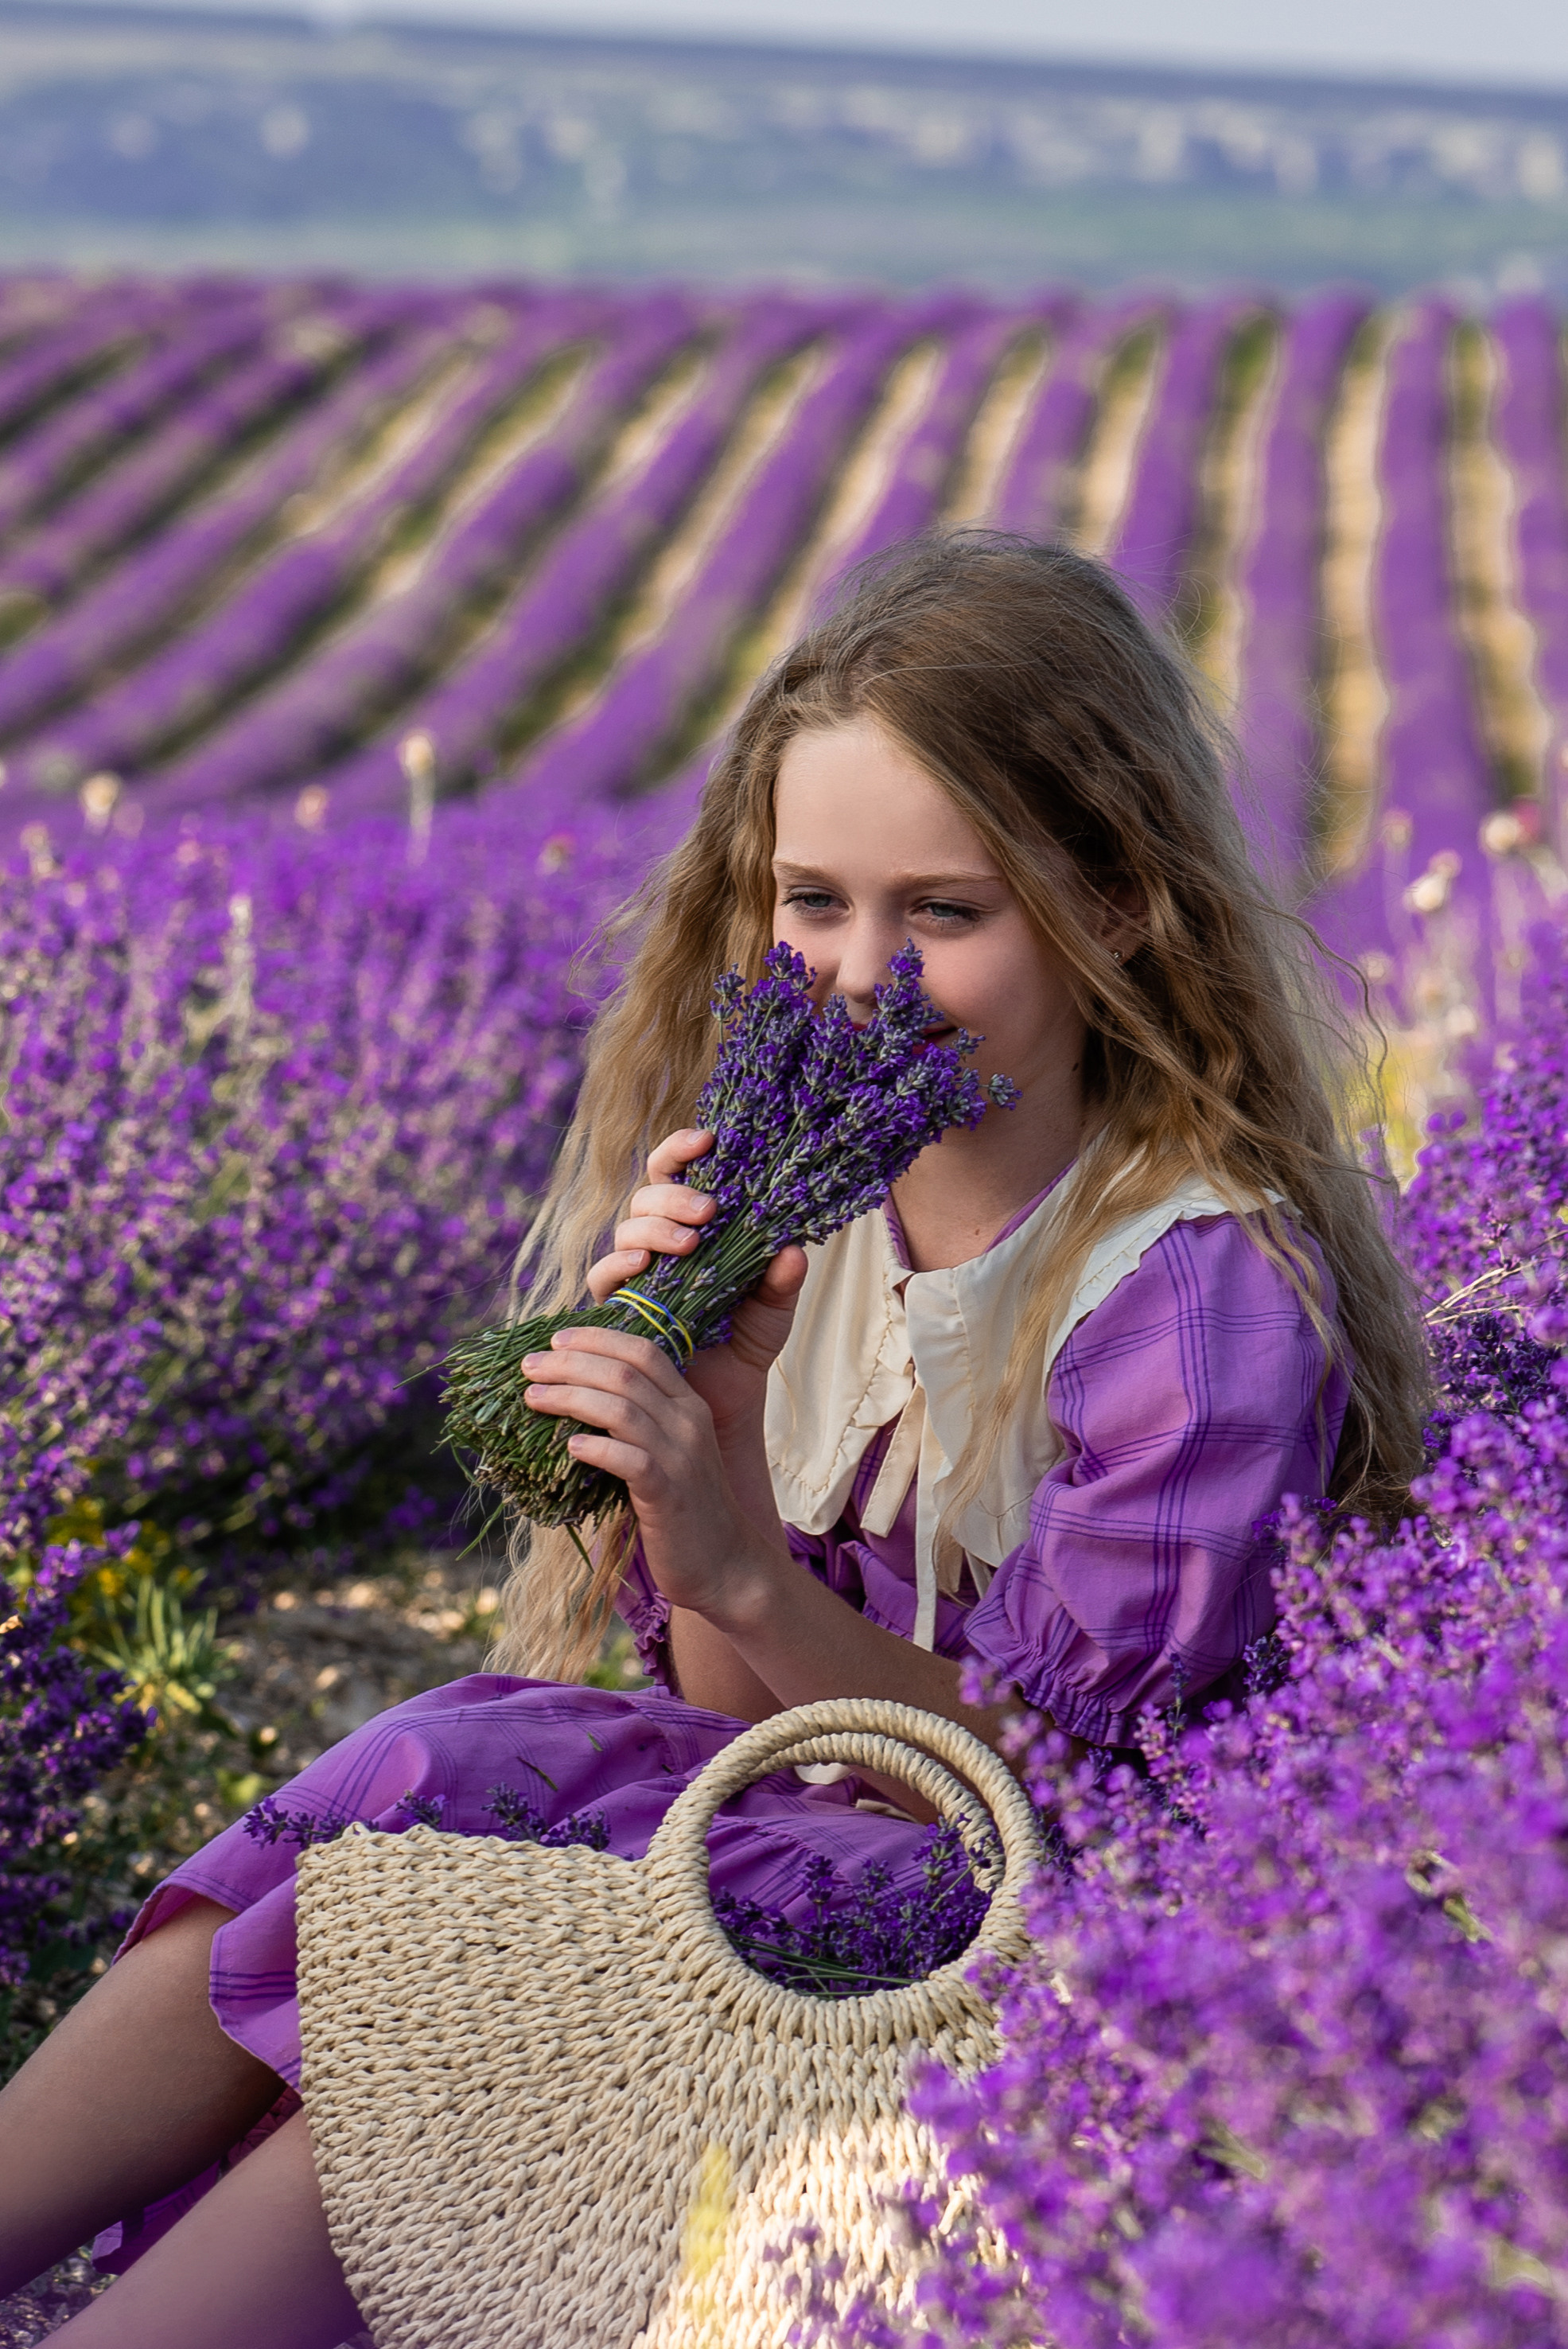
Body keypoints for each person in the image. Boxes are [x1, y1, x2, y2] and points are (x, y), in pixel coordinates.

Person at [0, 533, 1430, 2347]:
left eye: (943, 912)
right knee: (378, 1834)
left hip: (1043, 1935)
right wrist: (709, 1432)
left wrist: (738, 1545)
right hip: (794, 1830)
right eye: (809, 902)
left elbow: (1038, 1801)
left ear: (1123, 900)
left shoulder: (1189, 1300)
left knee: (439, 2047)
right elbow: (731, 1721)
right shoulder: (814, 1213)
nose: (859, 978)